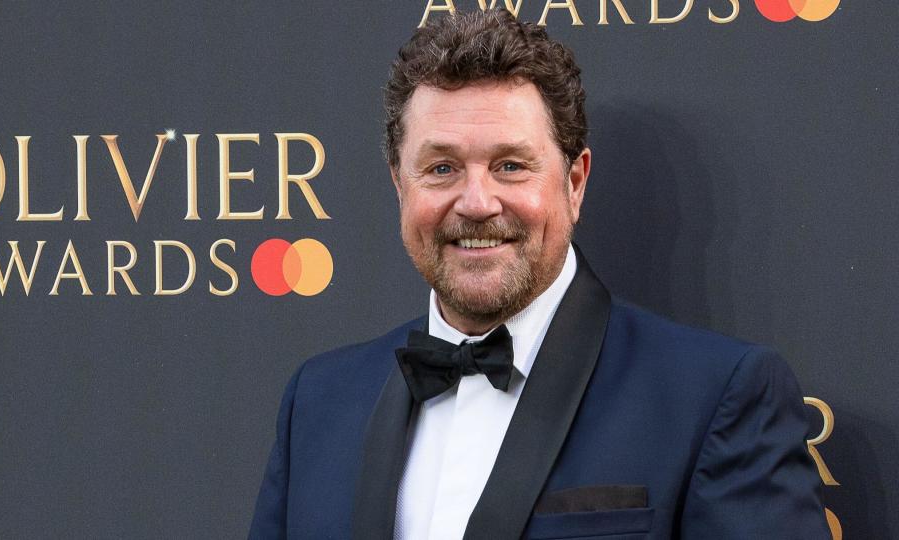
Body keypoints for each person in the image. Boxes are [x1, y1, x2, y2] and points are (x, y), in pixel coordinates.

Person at [248, 8, 830, 540]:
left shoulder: (714, 396)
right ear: (401, 185)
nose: (476, 202)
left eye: (510, 166)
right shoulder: (319, 403)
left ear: (574, 183)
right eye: (442, 167)